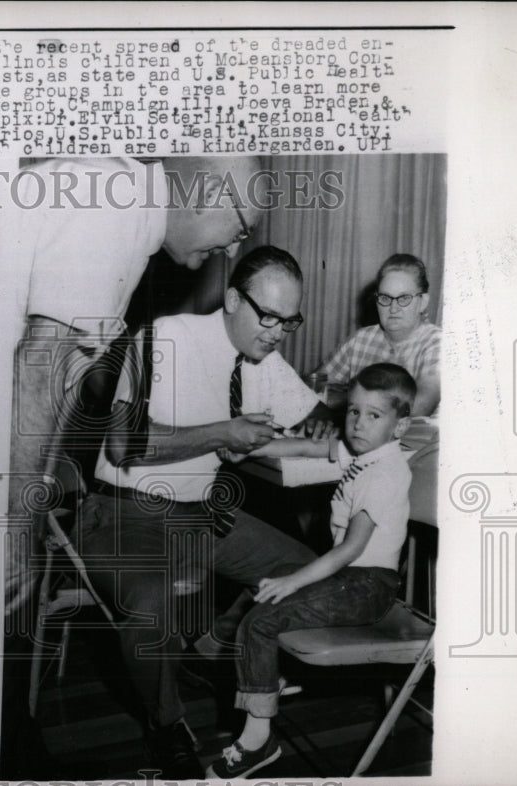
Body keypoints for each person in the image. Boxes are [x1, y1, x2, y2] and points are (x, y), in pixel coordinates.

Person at [78, 246, 334, 778]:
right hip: (123, 512)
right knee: (153, 607)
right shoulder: (165, 337)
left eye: (290, 321)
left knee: (306, 572)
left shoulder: (264, 358)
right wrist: (224, 433)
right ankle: (166, 725)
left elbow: (317, 414)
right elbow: (125, 445)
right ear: (234, 299)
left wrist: (331, 425)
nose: (277, 331)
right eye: (268, 316)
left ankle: (220, 643)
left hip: (198, 515)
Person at [4, 155, 268, 609]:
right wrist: (13, 534)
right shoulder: (112, 207)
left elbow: (60, 382)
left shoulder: (128, 214)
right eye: (240, 230)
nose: (233, 252)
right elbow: (36, 376)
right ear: (206, 196)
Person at [206, 363, 415, 778]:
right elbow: (308, 449)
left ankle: (258, 741)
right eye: (353, 411)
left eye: (374, 415)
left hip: (366, 585)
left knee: (261, 618)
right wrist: (251, 449)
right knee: (265, 592)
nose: (357, 423)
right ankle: (269, 680)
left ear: (400, 426)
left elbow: (351, 549)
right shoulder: (366, 454)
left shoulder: (385, 472)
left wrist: (292, 582)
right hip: (351, 579)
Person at [320, 253, 440, 416]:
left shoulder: (437, 342)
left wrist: (350, 402)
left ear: (423, 302)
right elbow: (314, 386)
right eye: (385, 297)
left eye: (404, 298)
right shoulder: (361, 339)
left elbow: (421, 405)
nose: (393, 308)